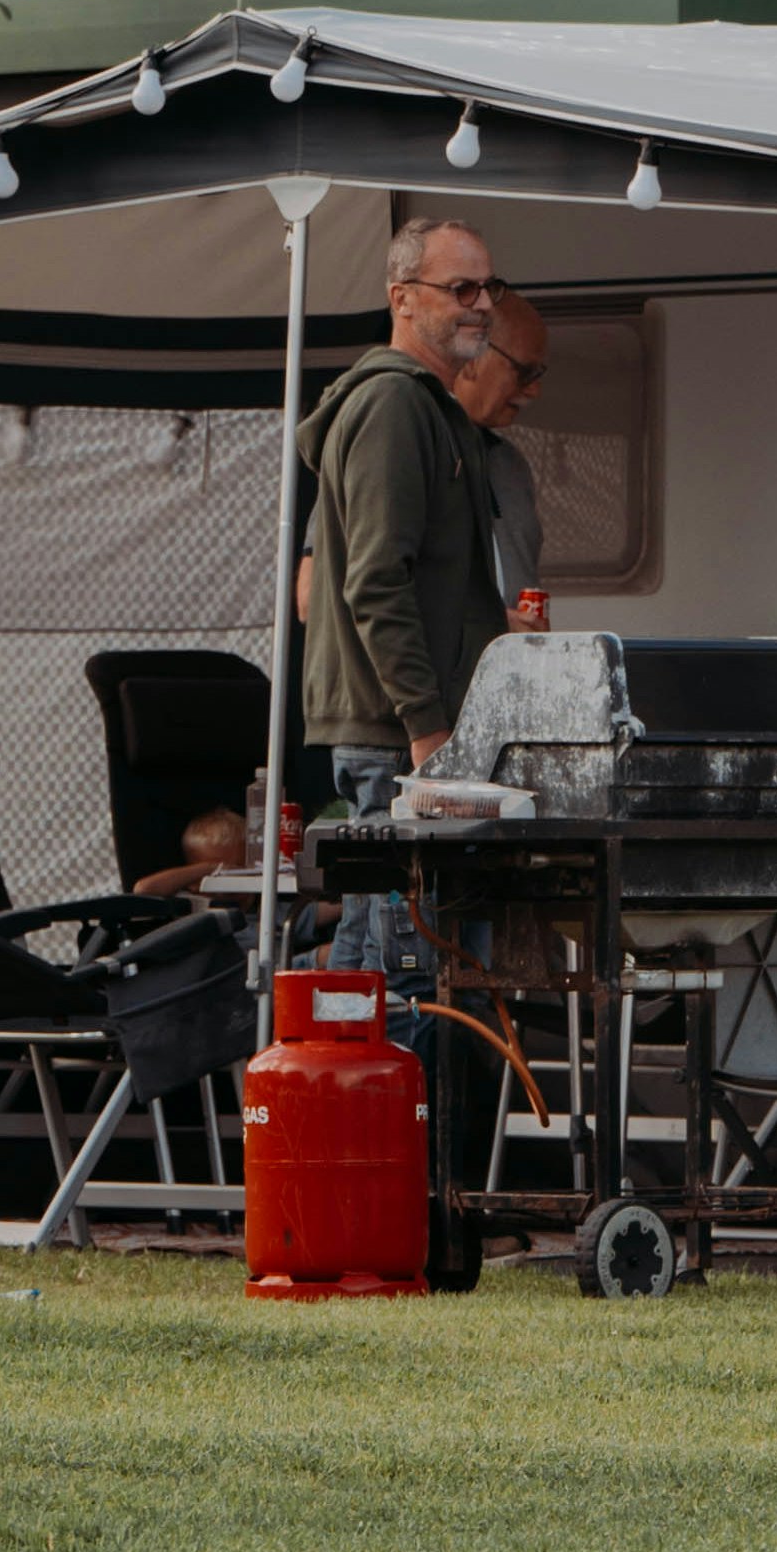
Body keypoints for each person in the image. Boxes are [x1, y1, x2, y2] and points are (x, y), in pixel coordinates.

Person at [296, 216, 511, 988]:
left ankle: (344, 1109)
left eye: (489, 286)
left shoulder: (425, 405)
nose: (481, 302)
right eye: (460, 287)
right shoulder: (393, 404)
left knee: (370, 971)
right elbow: (376, 580)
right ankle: (403, 1114)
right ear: (403, 299)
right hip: (400, 739)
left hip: (401, 736)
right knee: (412, 974)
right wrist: (429, 728)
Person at [458, 286, 555, 633]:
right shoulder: (401, 446)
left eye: (538, 376)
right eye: (524, 372)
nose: (533, 391)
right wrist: (489, 625)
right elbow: (316, 595)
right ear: (472, 358)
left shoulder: (510, 465)